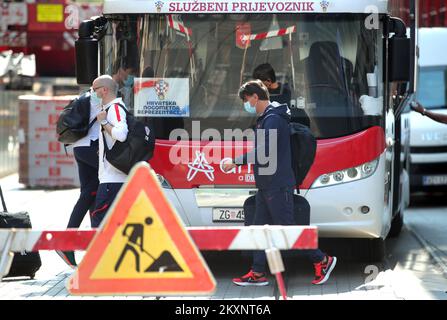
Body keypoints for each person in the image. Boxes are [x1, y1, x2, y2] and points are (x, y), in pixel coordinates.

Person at [223, 80, 336, 286]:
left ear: (255, 97)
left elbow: (266, 152)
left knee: (288, 229)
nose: (245, 104)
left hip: (277, 185)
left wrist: (235, 162)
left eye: (246, 100)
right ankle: (257, 272)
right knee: (258, 229)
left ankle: (322, 259)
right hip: (267, 185)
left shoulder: (273, 119)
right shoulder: (268, 117)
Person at [56, 89, 102, 268]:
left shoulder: (87, 94)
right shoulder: (101, 96)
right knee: (97, 188)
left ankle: (89, 248)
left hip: (79, 147)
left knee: (90, 193)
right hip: (90, 146)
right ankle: (69, 242)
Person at [90, 75, 129, 228]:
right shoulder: (108, 110)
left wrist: (104, 122)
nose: (92, 94)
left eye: (94, 90)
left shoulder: (115, 109)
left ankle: (100, 252)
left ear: (104, 90)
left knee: (99, 224)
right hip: (110, 179)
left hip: (113, 180)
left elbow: (121, 134)